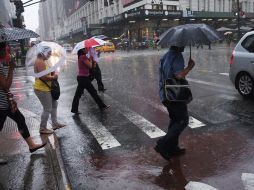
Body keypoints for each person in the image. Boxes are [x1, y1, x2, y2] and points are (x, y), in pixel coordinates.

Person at [0, 42, 46, 154]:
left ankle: (31, 145)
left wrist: (10, 99)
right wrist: (11, 68)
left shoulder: (1, 63)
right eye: (5, 49)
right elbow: (5, 85)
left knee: (20, 119)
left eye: (7, 48)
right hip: (0, 105)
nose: (7, 51)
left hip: (5, 102)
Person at [155, 46, 195, 161]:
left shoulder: (166, 56)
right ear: (179, 44)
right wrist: (189, 67)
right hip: (175, 94)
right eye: (183, 43)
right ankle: (163, 144)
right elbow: (179, 75)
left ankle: (173, 147)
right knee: (183, 120)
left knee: (174, 120)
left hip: (165, 93)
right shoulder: (177, 56)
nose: (185, 45)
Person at [33, 46, 65, 134]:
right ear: (44, 52)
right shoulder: (40, 62)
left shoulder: (43, 61)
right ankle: (42, 128)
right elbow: (43, 77)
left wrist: (52, 71)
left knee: (54, 104)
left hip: (46, 88)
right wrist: (54, 77)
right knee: (47, 108)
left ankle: (55, 124)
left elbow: (46, 73)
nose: (50, 55)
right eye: (49, 53)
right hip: (42, 89)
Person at [71, 48, 110, 114]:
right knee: (93, 93)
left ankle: (74, 109)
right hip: (84, 78)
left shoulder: (83, 57)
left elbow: (93, 67)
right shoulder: (83, 57)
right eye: (86, 49)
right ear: (83, 50)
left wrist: (93, 61)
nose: (88, 50)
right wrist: (91, 60)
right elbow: (90, 66)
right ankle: (102, 106)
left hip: (82, 78)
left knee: (78, 95)